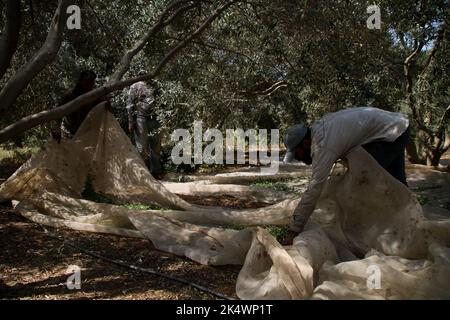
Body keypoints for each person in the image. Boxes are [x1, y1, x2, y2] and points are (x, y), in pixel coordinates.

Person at [281, 107, 410, 245]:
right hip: (398, 127)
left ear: (305, 144)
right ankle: (411, 221)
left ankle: (370, 235)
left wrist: (294, 230)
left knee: (362, 186)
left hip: (391, 133)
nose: (298, 159)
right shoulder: (320, 129)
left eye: (297, 154)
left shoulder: (323, 145)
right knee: (398, 182)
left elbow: (314, 189)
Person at [126, 73, 163, 180]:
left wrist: (166, 118)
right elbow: (129, 104)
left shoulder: (156, 85)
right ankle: (142, 173)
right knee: (141, 147)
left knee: (156, 147)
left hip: (156, 119)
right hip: (141, 118)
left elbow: (163, 101)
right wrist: (130, 121)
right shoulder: (135, 86)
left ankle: (156, 172)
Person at [52, 70, 108, 141]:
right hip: (69, 134)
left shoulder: (94, 97)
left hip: (86, 135)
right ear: (81, 81)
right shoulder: (70, 96)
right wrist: (57, 128)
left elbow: (104, 105)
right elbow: (58, 113)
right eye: (87, 81)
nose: (90, 84)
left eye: (92, 81)